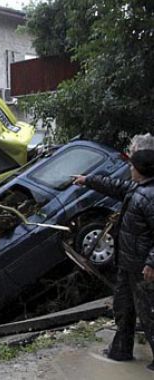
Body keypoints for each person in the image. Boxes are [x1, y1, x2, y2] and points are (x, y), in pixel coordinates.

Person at [72, 135, 154, 372]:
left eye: (131, 166)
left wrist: (151, 263)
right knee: (123, 308)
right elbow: (114, 186)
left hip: (142, 268)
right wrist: (87, 180)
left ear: (141, 169)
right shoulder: (137, 189)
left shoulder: (150, 197)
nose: (129, 169)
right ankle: (121, 350)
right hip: (127, 265)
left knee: (148, 314)